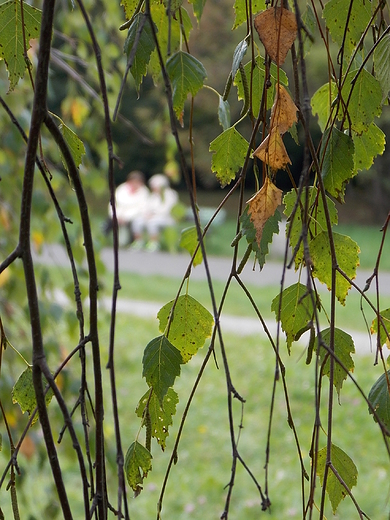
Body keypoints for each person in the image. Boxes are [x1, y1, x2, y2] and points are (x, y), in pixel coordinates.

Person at [131, 174, 179, 252]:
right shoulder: (153, 195)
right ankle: (138, 242)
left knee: (152, 222)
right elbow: (147, 206)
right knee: (137, 221)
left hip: (167, 218)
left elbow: (167, 209)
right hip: (151, 216)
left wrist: (153, 214)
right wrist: (146, 213)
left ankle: (154, 243)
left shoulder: (170, 194)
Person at [108, 170, 150, 246]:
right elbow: (114, 204)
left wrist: (126, 217)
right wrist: (117, 216)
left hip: (133, 216)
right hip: (118, 215)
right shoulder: (121, 189)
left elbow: (141, 208)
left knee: (136, 223)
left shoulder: (144, 192)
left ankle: (133, 241)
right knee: (107, 223)